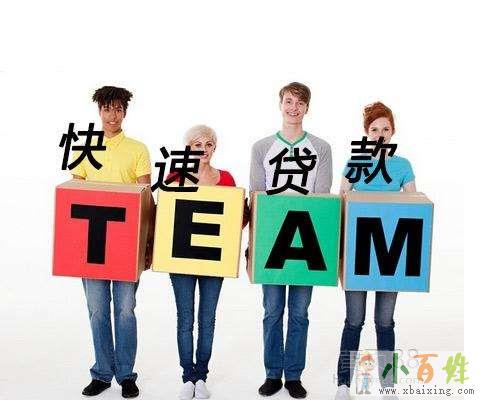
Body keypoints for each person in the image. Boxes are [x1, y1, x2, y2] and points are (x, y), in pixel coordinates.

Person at [249, 82, 332, 399]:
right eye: (288, 101)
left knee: (299, 312)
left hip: (307, 238)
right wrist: (253, 247)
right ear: (280, 104)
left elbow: (322, 198)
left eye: (299, 103)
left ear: (307, 108)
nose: (293, 107)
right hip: (272, 239)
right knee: (272, 310)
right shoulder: (262, 147)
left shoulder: (321, 148)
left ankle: (294, 375)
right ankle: (272, 374)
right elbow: (257, 199)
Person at [71, 86, 152, 398]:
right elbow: (75, 196)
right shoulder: (85, 147)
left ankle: (126, 375)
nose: (113, 115)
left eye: (118, 109)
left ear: (125, 112)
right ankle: (103, 373)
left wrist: (146, 244)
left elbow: (145, 199)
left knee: (126, 309)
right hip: (93, 244)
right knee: (97, 310)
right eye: (107, 109)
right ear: (99, 111)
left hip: (126, 244)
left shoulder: (137, 149)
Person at [334, 102, 416, 400]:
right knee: (354, 320)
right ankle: (344, 383)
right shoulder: (355, 162)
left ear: (392, 131)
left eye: (385, 128)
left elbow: (413, 207)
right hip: (359, 252)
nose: (380, 134)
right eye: (374, 129)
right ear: (366, 133)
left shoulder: (403, 165)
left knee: (385, 321)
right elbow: (341, 204)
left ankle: (388, 385)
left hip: (390, 254)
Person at [169, 125, 245, 400]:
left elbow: (239, 218)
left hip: (214, 259)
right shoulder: (175, 176)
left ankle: (201, 376)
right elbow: (165, 215)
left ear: (215, 148)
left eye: (209, 144)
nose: (204, 149)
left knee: (207, 319)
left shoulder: (226, 179)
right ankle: (187, 377)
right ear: (188, 148)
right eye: (197, 144)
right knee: (185, 319)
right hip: (182, 260)